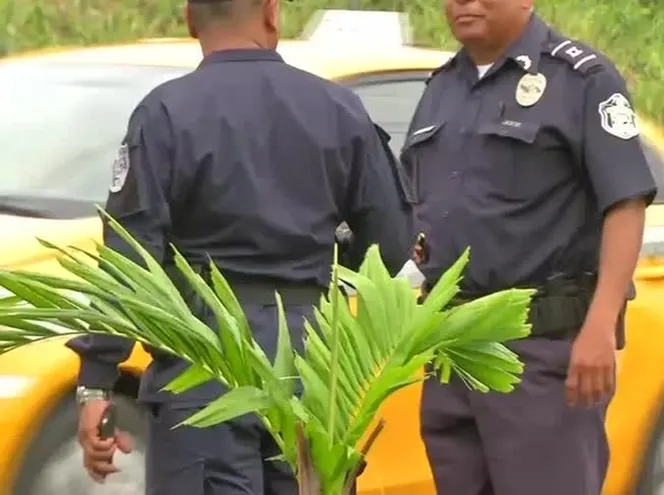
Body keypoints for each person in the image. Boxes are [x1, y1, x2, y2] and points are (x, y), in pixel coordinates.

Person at [66, 0, 415, 493]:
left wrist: (98, 380)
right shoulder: (337, 108)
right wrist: (325, 271)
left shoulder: (166, 112)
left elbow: (130, 257)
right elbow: (394, 241)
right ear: (272, 12)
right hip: (313, 365)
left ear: (190, 19)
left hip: (204, 361)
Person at [405, 1, 657, 494]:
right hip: (453, 353)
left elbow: (626, 203)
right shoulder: (441, 88)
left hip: (541, 354)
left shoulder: (580, 79)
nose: (464, 3)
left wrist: (601, 326)